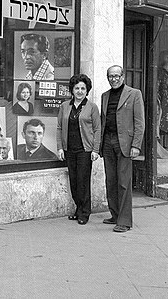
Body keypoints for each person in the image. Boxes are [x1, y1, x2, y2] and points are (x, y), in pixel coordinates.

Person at [101, 65, 145, 233]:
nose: (114, 79)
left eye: (117, 76)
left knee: (124, 182)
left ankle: (125, 221)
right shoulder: (105, 96)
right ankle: (115, 214)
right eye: (111, 76)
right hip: (107, 142)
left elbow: (139, 122)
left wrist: (136, 145)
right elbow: (102, 120)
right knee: (110, 180)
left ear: (123, 77)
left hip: (125, 143)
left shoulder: (134, 94)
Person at [56, 74, 101, 225]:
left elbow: (97, 129)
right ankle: (78, 209)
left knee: (83, 181)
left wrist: (95, 150)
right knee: (74, 181)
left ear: (87, 90)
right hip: (70, 149)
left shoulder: (92, 107)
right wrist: (60, 147)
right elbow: (59, 127)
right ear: (72, 90)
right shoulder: (64, 106)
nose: (80, 91)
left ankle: (85, 212)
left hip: (85, 150)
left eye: (83, 88)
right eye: (77, 88)